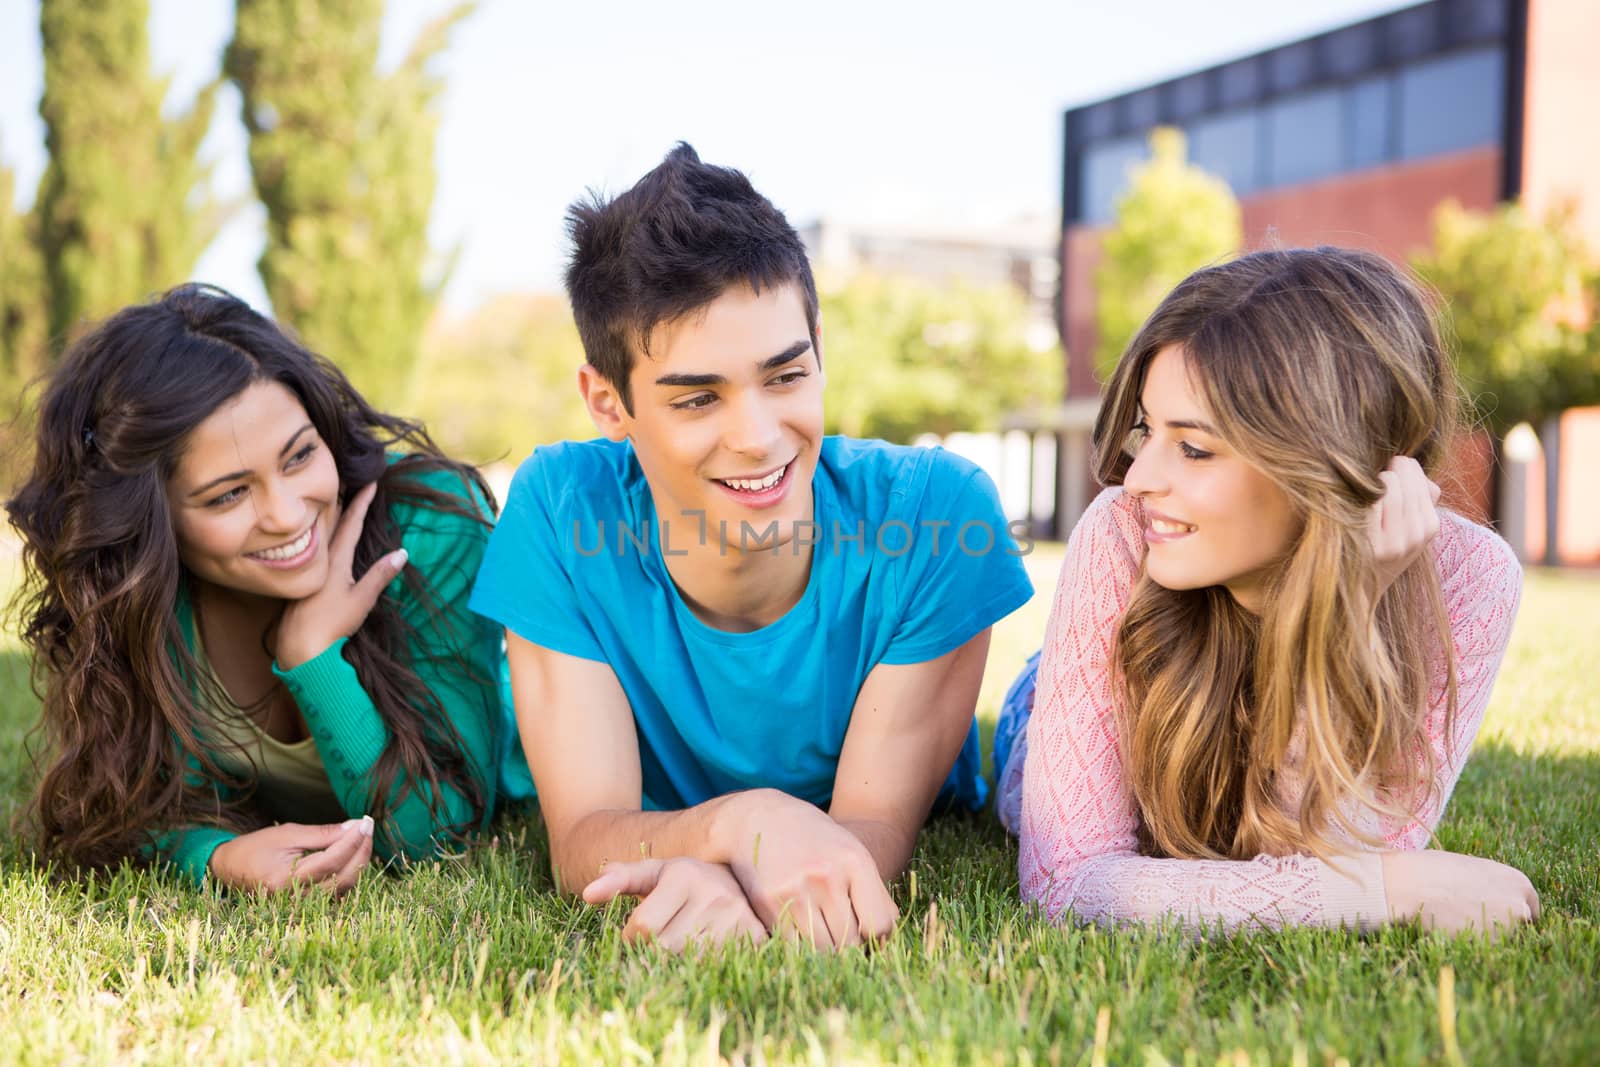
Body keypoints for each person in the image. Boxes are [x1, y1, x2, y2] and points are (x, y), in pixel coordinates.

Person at [470, 143, 1033, 951]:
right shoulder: (561, 508)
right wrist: (745, 821)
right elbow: (585, 838)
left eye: (785, 377)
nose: (760, 438)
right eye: (699, 398)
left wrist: (721, 867)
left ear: (819, 350)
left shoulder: (939, 516)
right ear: (608, 402)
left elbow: (866, 835)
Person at [994, 247, 1537, 935]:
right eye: (1146, 430)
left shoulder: (1471, 578)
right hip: (1051, 702)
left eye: (1193, 448)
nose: (1136, 480)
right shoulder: (1121, 536)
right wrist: (1386, 893)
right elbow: (1066, 881)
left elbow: (1333, 852)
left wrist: (1344, 610)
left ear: (1327, 459)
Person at [7, 284, 507, 895]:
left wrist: (313, 656)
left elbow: (436, 836)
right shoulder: (144, 600)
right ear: (154, 521)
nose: (288, 515)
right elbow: (125, 812)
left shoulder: (429, 532)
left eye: (299, 458)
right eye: (229, 494)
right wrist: (218, 858)